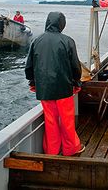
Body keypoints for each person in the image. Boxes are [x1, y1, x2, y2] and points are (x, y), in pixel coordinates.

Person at [25, 11, 84, 156]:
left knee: (50, 122)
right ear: (61, 24)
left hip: (45, 89)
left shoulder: (36, 41)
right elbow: (75, 67)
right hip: (64, 88)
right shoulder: (68, 41)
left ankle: (52, 150)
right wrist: (77, 81)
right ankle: (71, 149)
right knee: (66, 121)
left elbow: (29, 67)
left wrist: (33, 82)